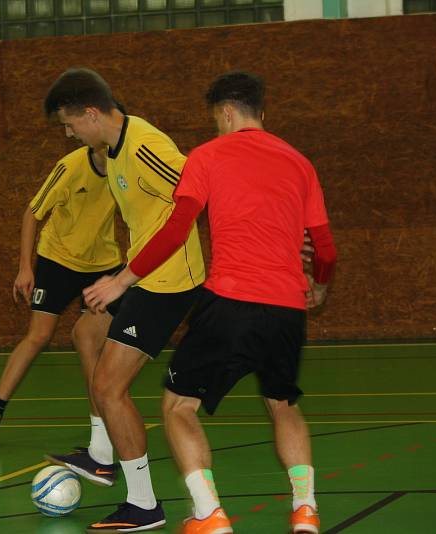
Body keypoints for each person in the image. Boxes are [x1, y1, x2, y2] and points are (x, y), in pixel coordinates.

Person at [83, 71, 337, 534]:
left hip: (230, 303)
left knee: (178, 406)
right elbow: (326, 248)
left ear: (224, 112)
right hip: (286, 309)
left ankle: (208, 514)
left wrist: (123, 280)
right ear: (263, 111)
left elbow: (176, 230)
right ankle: (306, 509)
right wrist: (318, 286)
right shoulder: (300, 163)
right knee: (282, 402)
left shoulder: (207, 156)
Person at [43, 68, 206, 532]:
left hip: (167, 283)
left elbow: (190, 202)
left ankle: (143, 503)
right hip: (141, 277)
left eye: (70, 125)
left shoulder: (144, 146)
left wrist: (124, 279)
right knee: (84, 331)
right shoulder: (110, 149)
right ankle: (100, 454)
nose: (69, 134)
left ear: (92, 114)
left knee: (109, 387)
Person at [0, 142, 123, 457]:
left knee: (90, 343)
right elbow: (32, 213)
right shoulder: (70, 167)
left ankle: (100, 431)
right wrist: (25, 267)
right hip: (58, 261)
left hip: (103, 266)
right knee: (39, 335)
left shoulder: (126, 167)